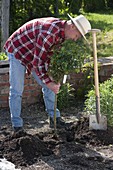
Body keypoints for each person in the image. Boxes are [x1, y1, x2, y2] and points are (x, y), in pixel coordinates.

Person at [4, 14, 91, 132]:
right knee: (17, 89)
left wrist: (53, 77)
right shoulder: (49, 32)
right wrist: (49, 83)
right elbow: (38, 63)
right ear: (72, 27)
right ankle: (17, 126)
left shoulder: (62, 34)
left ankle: (55, 118)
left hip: (34, 53)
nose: (75, 39)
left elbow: (48, 56)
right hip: (18, 49)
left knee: (50, 83)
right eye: (77, 35)